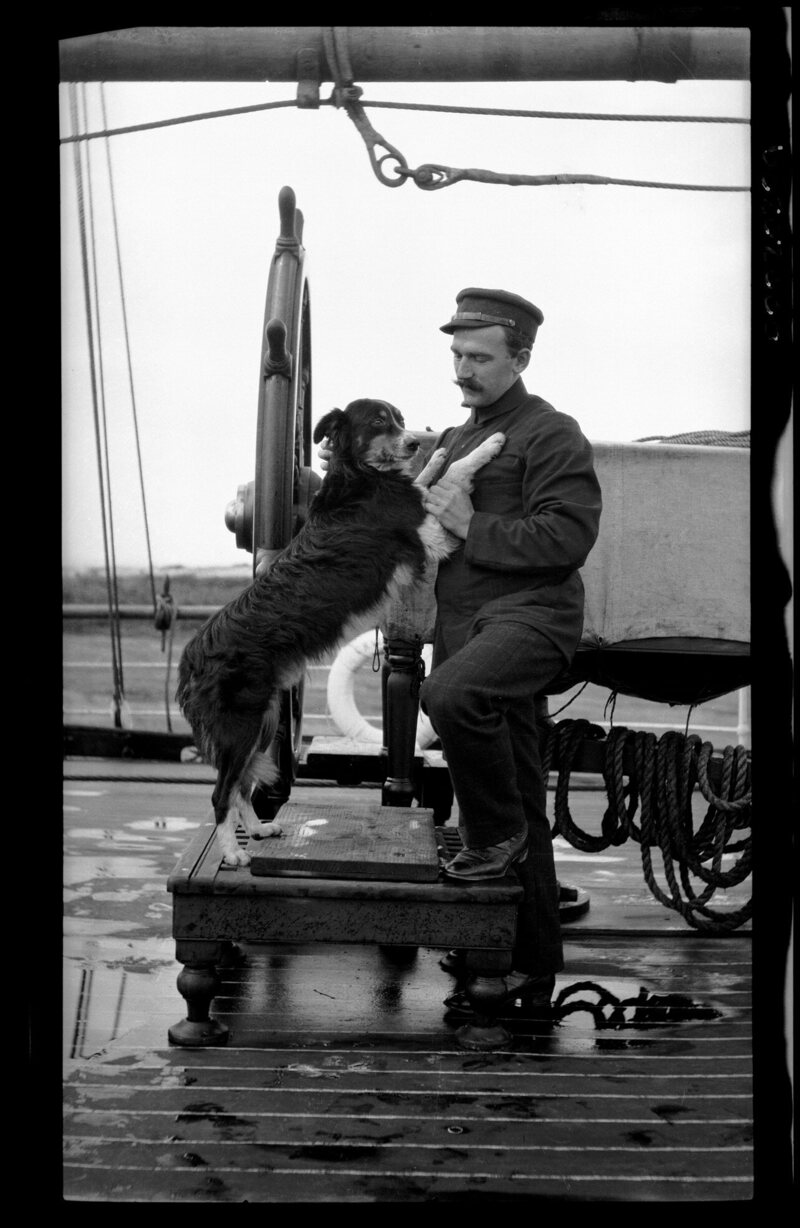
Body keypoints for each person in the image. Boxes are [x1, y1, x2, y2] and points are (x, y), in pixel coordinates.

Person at [416, 287, 602, 1007]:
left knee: (453, 698)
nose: (463, 369)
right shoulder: (457, 438)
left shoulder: (552, 432)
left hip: (533, 618)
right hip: (467, 627)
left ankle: (487, 848)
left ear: (520, 357)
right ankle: (526, 964)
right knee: (521, 797)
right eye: (458, 355)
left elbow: (568, 536)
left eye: (480, 357)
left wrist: (469, 524)